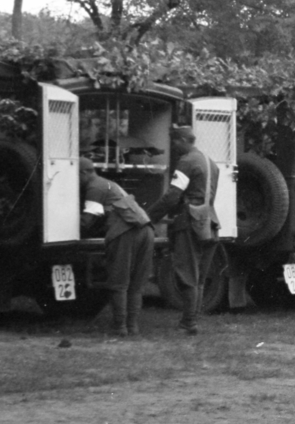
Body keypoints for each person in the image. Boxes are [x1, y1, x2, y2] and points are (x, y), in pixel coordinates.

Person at [147, 125, 219, 335]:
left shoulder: (187, 161)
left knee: (187, 274)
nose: (174, 146)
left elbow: (172, 196)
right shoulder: (211, 163)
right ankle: (192, 321)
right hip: (210, 221)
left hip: (190, 222)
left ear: (183, 140)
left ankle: (188, 323)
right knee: (199, 277)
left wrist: (149, 217)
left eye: (175, 142)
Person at [77, 157, 155, 337]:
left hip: (124, 231)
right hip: (146, 229)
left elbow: (88, 220)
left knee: (118, 282)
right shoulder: (109, 184)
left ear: (84, 173)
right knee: (136, 284)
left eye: (77, 177)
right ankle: (133, 327)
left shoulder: (94, 187)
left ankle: (119, 328)